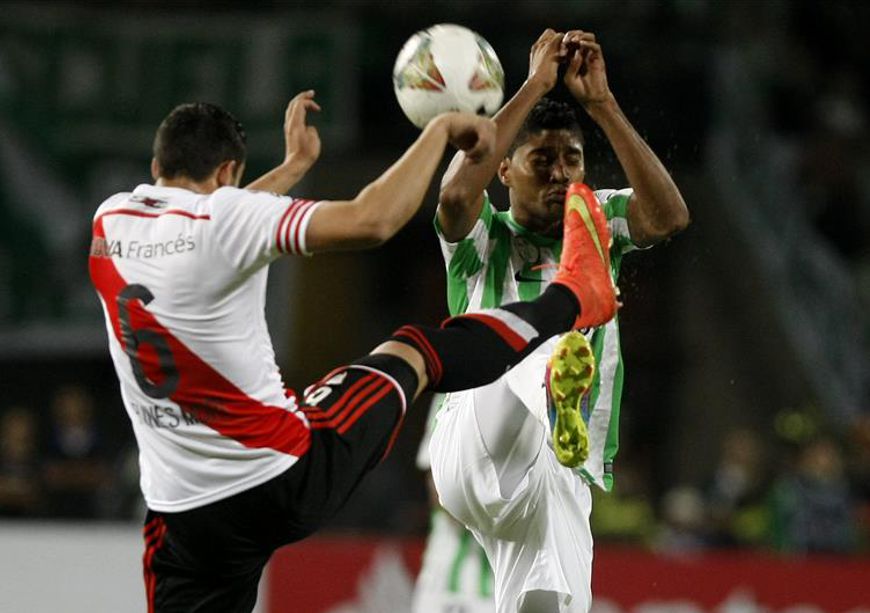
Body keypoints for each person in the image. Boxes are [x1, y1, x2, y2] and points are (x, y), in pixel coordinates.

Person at [88, 88, 618, 612]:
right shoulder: (228, 219)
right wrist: (437, 133)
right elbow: (373, 219)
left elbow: (214, 218)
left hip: (180, 515)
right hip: (280, 476)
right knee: (414, 351)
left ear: (158, 163)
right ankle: (571, 297)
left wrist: (293, 168)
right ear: (229, 172)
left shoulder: (109, 223)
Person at [423, 29, 690, 613]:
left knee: (554, 604)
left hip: (561, 467)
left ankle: (556, 393)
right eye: (540, 160)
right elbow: (451, 198)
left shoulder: (594, 221)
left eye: (571, 160)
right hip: (473, 435)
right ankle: (552, 376)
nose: (560, 174)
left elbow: (669, 217)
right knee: (541, 339)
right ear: (505, 171)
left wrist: (602, 105)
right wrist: (534, 85)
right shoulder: (483, 238)